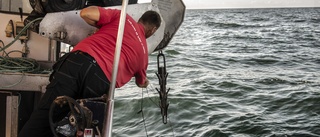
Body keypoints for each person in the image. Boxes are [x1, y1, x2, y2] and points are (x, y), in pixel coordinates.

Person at [18, 6, 161, 137]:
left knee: (44, 118)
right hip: (98, 82)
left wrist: (99, 27)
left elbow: (85, 13)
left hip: (76, 63)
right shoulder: (143, 54)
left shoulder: (123, 18)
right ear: (153, 30)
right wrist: (145, 80)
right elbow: (141, 83)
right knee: (80, 129)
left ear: (140, 19)